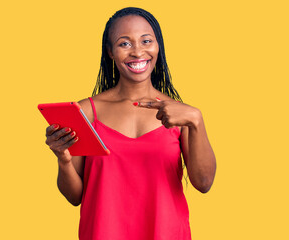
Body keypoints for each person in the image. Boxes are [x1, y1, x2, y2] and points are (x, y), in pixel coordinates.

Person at [44, 7, 216, 240]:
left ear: (158, 46)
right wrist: (64, 161)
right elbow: (75, 196)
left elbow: (204, 183)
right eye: (125, 44)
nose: (138, 52)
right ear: (111, 52)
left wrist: (196, 120)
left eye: (146, 41)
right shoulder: (86, 112)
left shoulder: (180, 114)